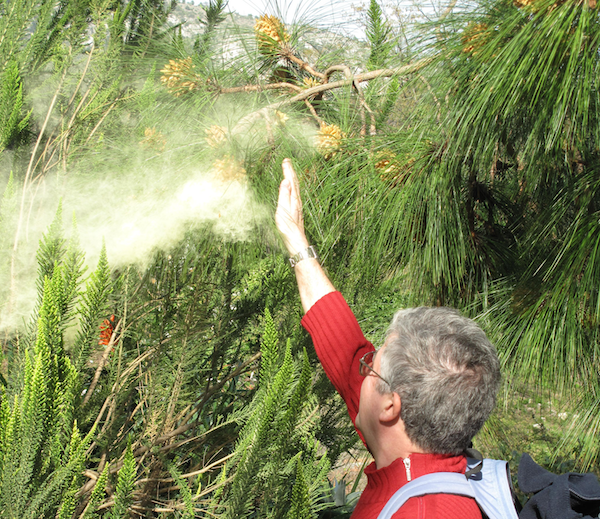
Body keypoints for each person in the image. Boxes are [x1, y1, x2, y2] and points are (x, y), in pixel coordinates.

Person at [275, 158, 501, 519]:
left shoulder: (424, 513)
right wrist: (297, 242)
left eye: (370, 366)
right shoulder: (424, 456)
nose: (360, 368)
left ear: (390, 407)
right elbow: (347, 352)